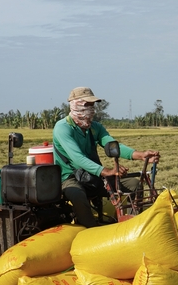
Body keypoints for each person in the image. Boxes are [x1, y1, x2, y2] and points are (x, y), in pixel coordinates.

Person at [52, 87, 160, 227]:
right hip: (70, 177)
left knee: (134, 185)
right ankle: (91, 230)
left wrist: (141, 155)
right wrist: (107, 171)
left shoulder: (95, 127)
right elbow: (78, 158)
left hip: (93, 175)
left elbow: (113, 146)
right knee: (77, 195)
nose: (91, 109)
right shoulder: (63, 128)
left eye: (92, 105)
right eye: (87, 105)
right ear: (75, 105)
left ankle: (130, 225)